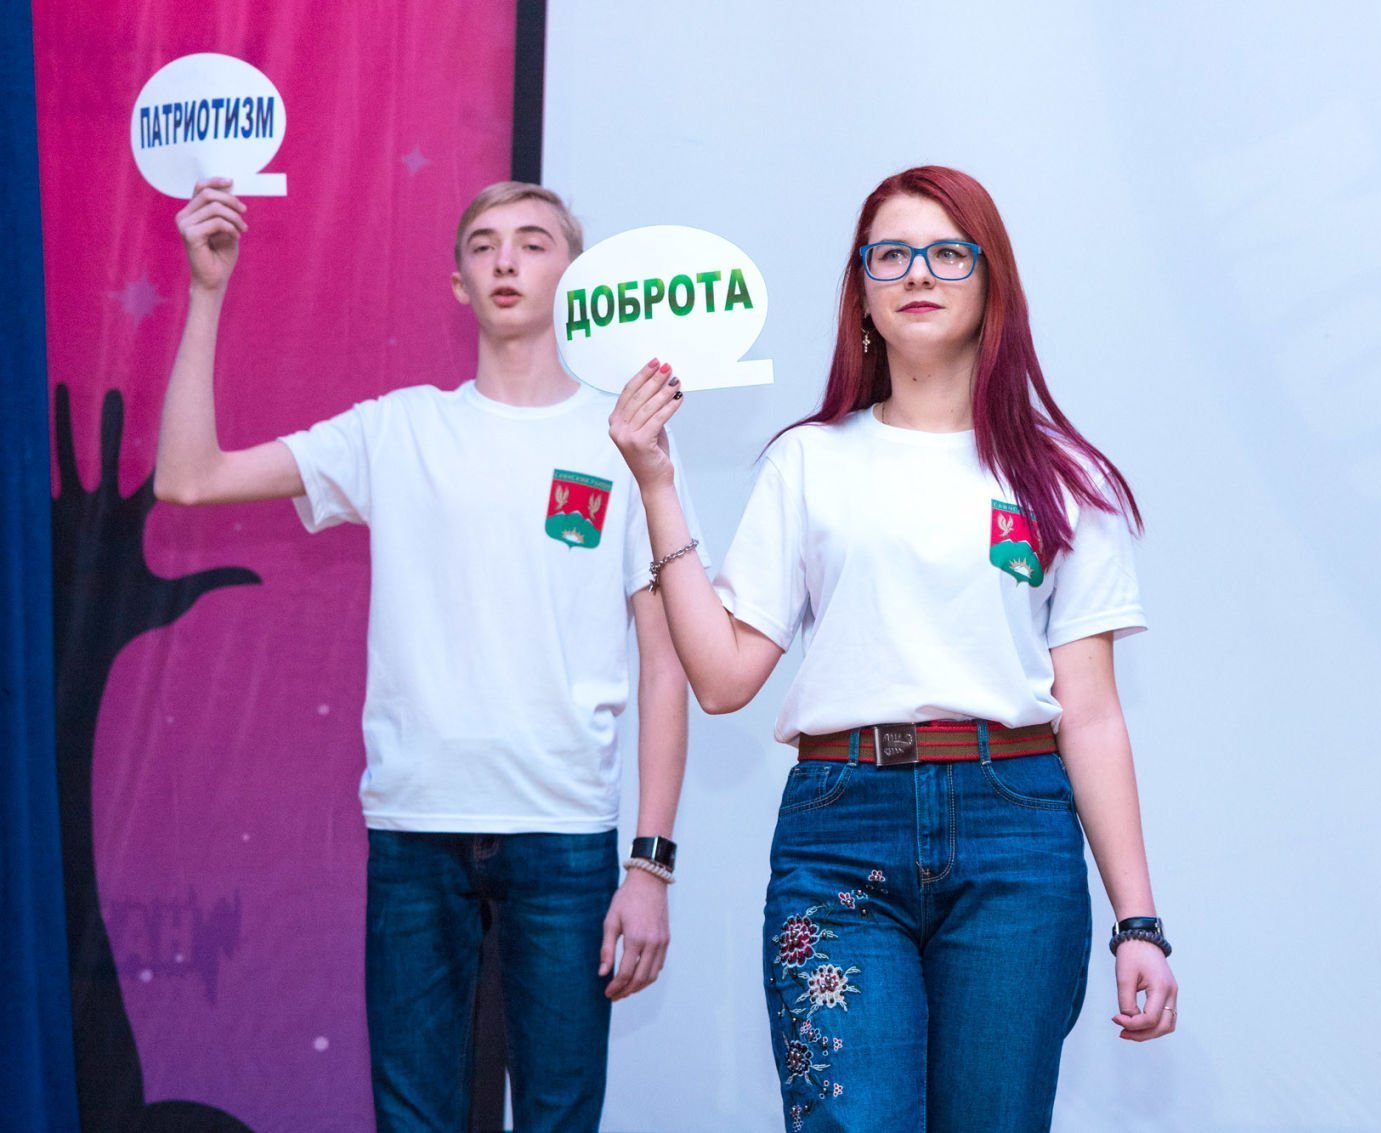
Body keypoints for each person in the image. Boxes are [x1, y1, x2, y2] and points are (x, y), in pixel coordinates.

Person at [610, 165, 1176, 1131]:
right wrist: (656, 482)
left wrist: (1140, 922)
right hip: (840, 830)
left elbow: (1089, 714)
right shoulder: (807, 459)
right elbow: (722, 677)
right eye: (892, 255)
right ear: (863, 292)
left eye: (949, 253)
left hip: (1016, 834)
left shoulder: (1063, 477)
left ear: (992, 284)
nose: (919, 272)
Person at [155, 177, 702, 1130]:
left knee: (561, 1115)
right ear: (458, 283)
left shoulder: (625, 441)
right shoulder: (397, 428)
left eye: (533, 242)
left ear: (576, 278)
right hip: (414, 829)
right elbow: (190, 477)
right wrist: (207, 292)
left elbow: (667, 665)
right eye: (484, 244)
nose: (505, 259)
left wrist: (649, 866)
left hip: (565, 834)